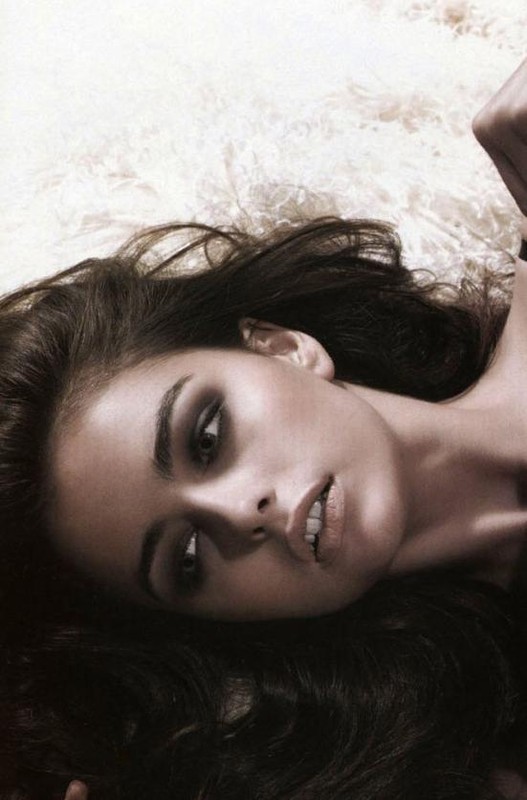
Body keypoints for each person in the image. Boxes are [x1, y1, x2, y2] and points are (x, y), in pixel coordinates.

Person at [3, 54, 527, 800]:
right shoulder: (482, 745)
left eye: (205, 439)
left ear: (282, 347)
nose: (235, 513)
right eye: (186, 560)